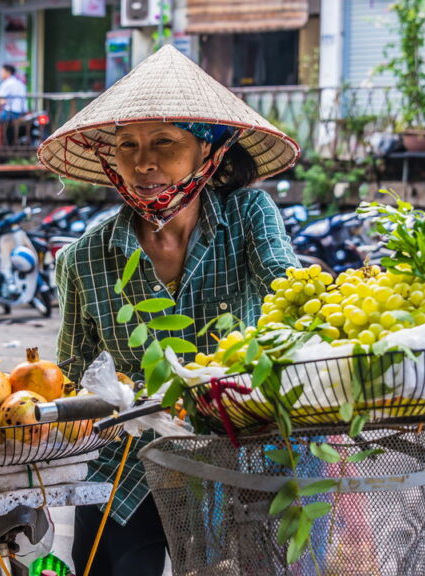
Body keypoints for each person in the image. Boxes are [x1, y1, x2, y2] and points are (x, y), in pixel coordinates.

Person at [37, 46, 300, 576]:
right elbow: (71, 376)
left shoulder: (248, 216)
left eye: (165, 143)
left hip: (235, 457)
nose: (143, 163)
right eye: (128, 146)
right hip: (124, 475)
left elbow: (288, 288)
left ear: (209, 153)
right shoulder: (85, 257)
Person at [0, 64, 28, 147]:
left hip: (12, 112)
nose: (0, 73)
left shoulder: (8, 83)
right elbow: (4, 99)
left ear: (8, 72)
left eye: (2, 71)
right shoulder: (18, 82)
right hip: (21, 112)